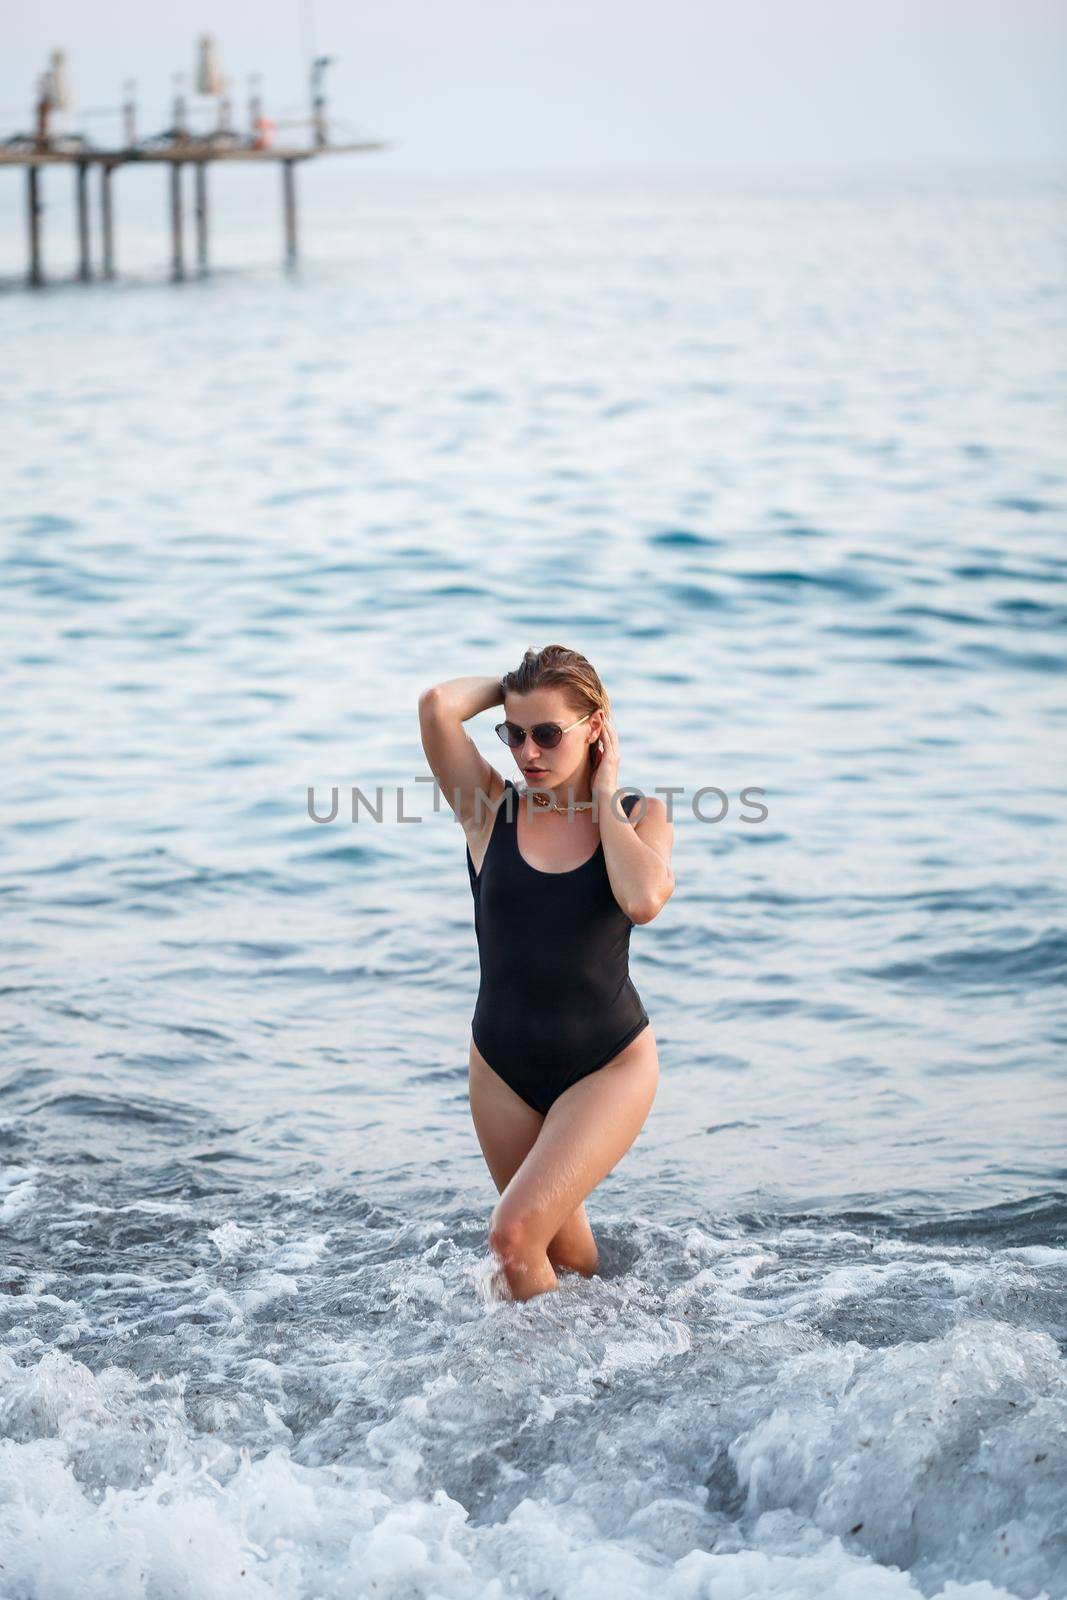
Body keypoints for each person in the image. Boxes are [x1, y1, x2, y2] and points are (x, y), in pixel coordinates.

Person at [418, 644, 675, 1302]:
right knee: (559, 1249)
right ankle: (613, 1351)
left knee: (511, 1237)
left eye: (548, 734)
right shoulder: (487, 810)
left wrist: (604, 791)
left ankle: (558, 1382)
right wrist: (514, 690)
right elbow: (438, 707)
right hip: (500, 1070)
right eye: (515, 734)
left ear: (595, 727)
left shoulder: (640, 816)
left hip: (606, 1065)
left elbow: (644, 901)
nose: (527, 753)